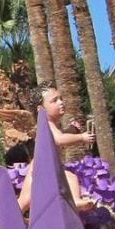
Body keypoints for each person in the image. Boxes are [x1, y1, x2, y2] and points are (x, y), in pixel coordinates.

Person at [15, 84, 92, 215]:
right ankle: (75, 200)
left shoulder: (51, 126)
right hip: (43, 167)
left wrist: (72, 130)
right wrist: (81, 137)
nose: (61, 102)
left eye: (60, 98)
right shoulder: (46, 125)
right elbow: (59, 139)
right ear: (41, 109)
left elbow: (59, 135)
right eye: (54, 100)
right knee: (70, 178)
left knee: (26, 199)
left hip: (41, 167)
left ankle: (8, 221)